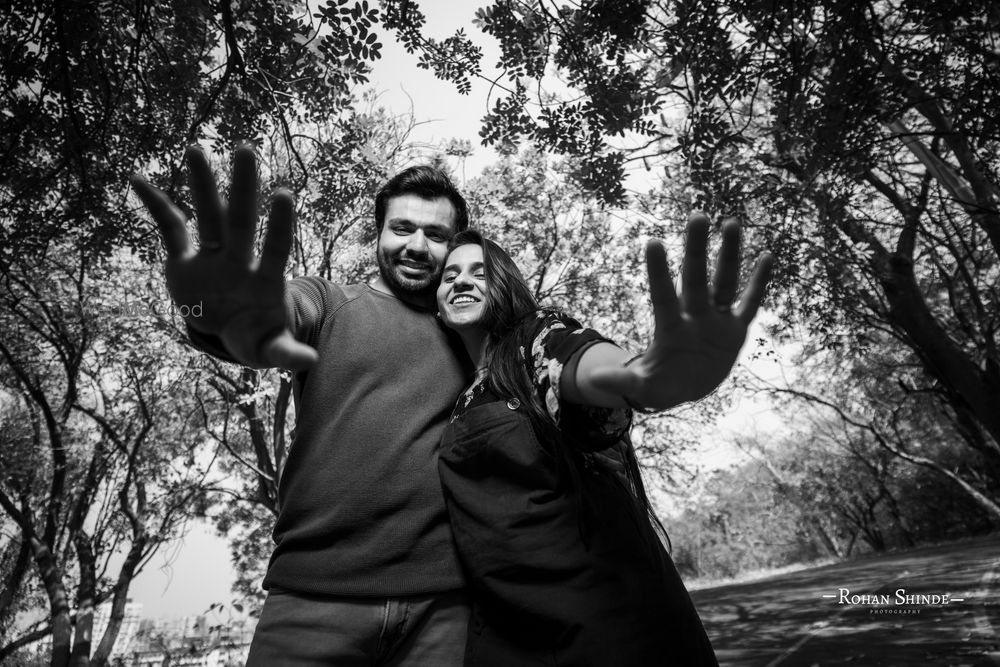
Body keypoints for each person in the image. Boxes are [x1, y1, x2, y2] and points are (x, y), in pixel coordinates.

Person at [131, 146, 474, 666]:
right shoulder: (330, 302)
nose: (418, 245)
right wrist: (209, 309)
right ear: (378, 234)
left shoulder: (474, 338)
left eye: (437, 235)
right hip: (314, 597)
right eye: (402, 228)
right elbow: (267, 315)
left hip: (445, 609)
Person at [435, 226, 773, 665]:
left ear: (504, 284)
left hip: (607, 624)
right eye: (449, 275)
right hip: (508, 631)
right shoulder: (459, 397)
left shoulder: (532, 338)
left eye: (479, 272)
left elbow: (576, 360)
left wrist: (639, 379)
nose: (461, 280)